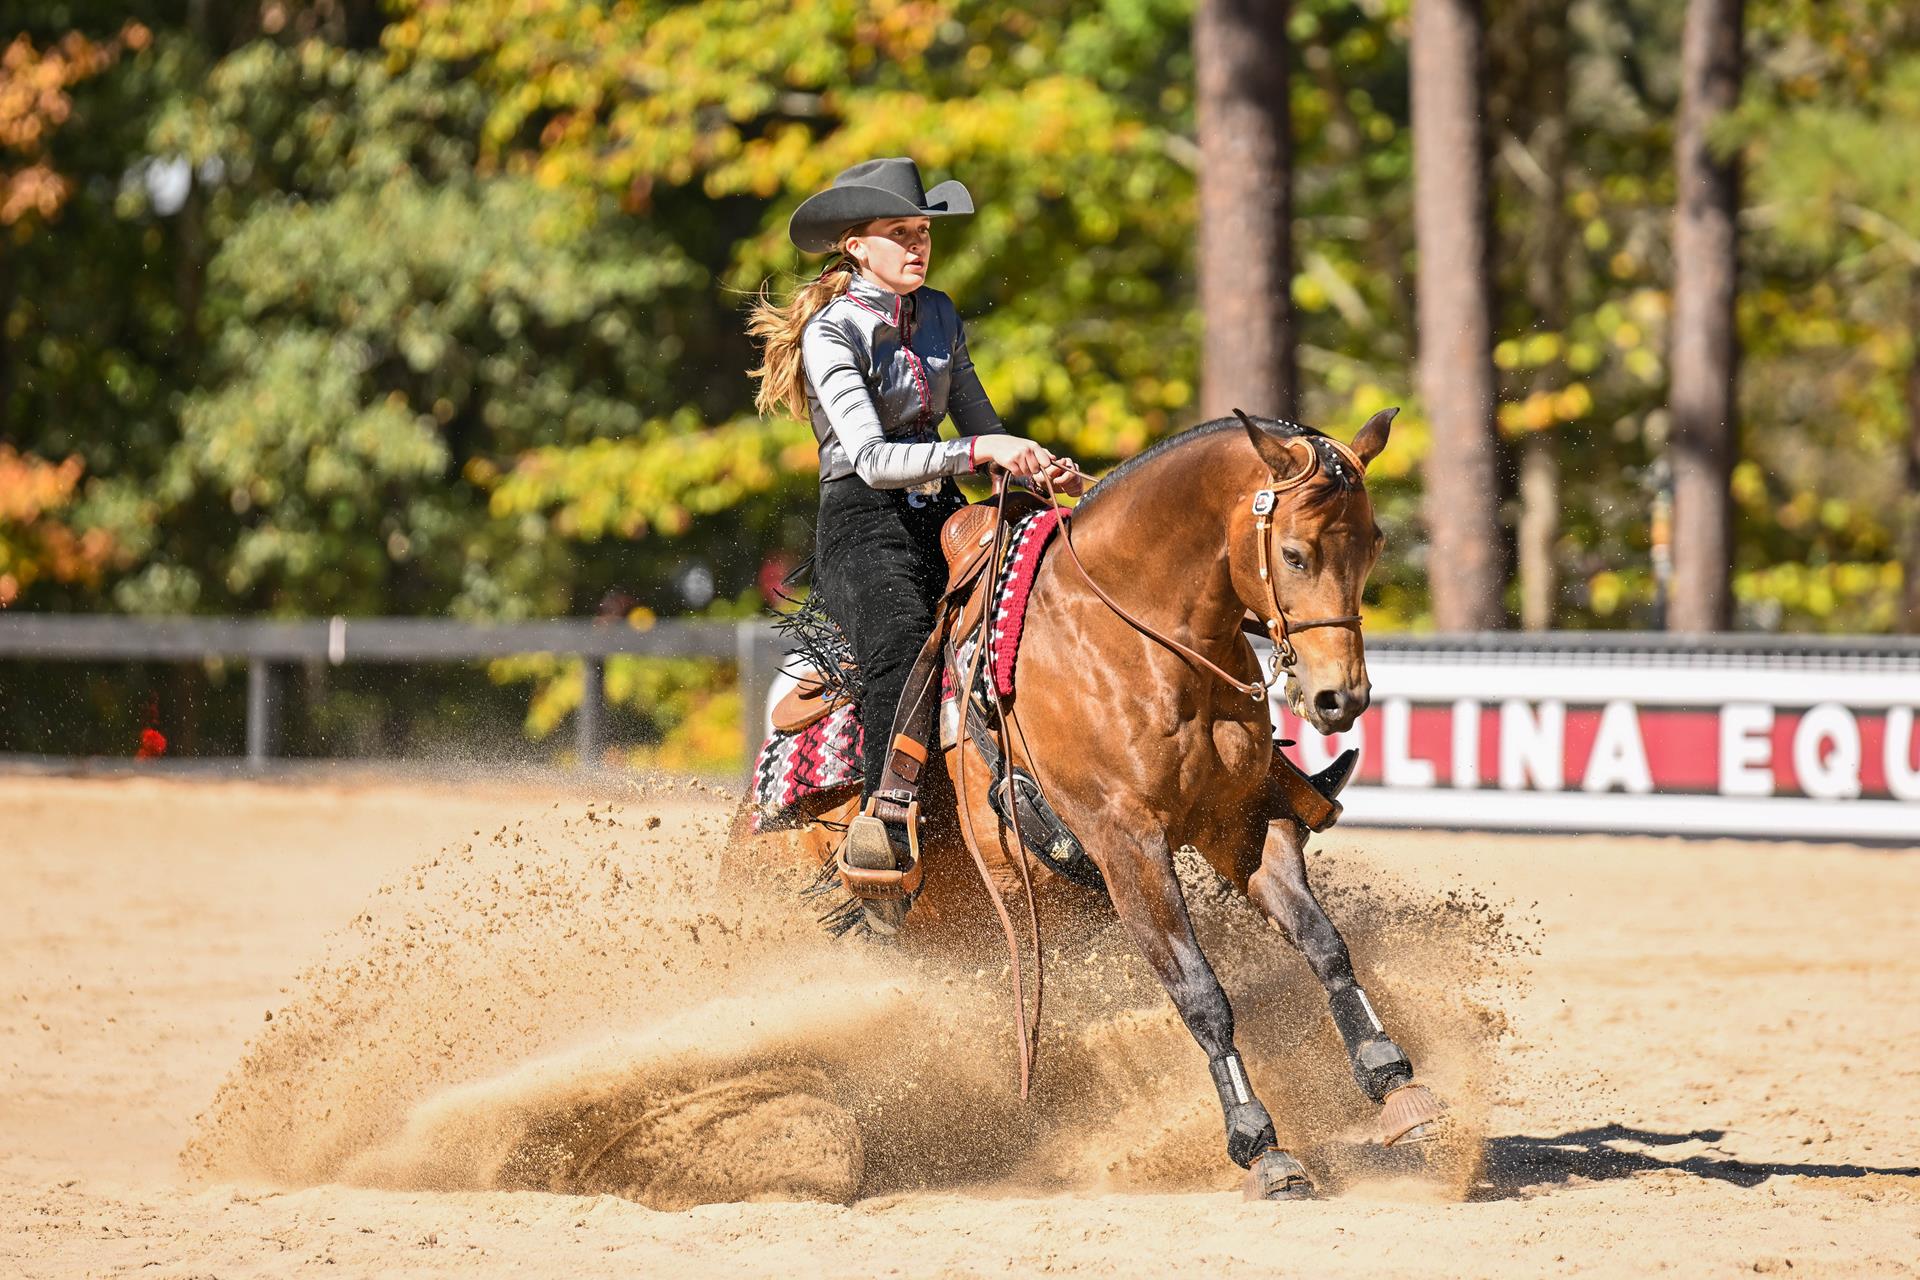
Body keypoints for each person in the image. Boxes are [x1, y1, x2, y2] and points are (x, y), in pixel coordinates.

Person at [748, 156, 1083, 877]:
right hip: (861, 527)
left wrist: (1031, 463)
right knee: (902, 640)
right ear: (855, 245)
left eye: (923, 231)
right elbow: (868, 459)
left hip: (942, 518)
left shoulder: (940, 314)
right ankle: (887, 817)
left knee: (1048, 603)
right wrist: (980, 450)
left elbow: (982, 426)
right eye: (899, 232)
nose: (918, 245)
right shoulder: (831, 333)